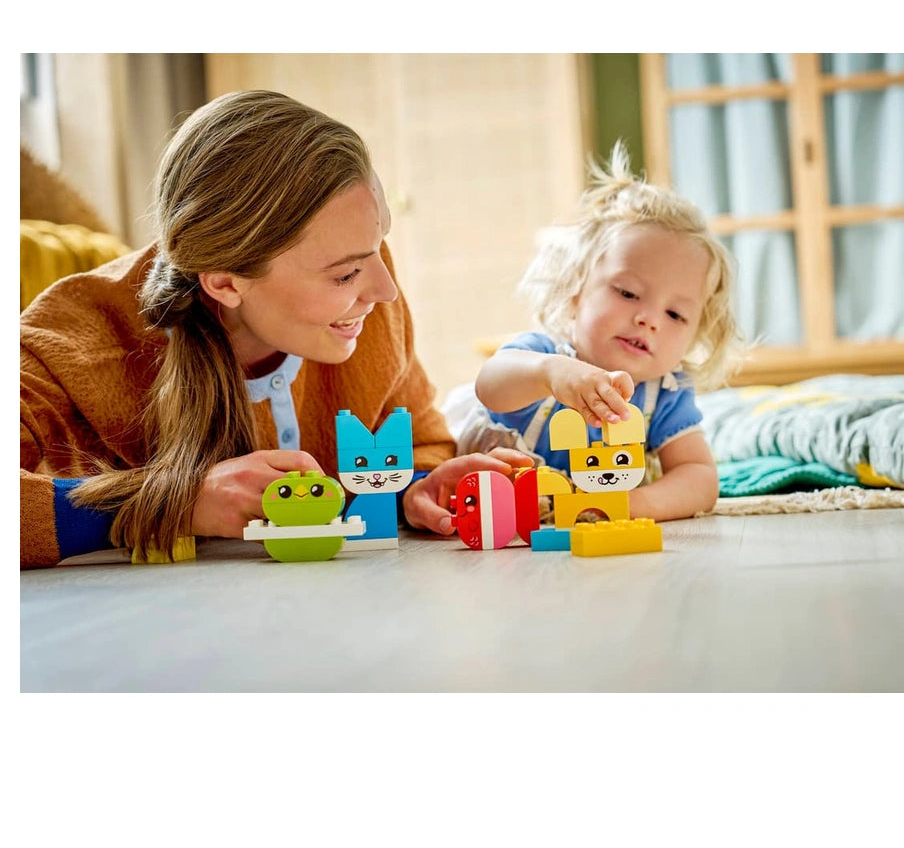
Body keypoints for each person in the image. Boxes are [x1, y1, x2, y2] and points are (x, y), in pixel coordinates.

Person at [20, 90, 531, 569]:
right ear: (225, 282)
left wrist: (412, 489)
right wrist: (172, 501)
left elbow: (423, 441)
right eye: (345, 275)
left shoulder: (366, 303)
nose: (385, 291)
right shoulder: (72, 341)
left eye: (378, 246)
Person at [467, 140, 743, 522]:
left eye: (675, 314)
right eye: (627, 293)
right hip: (498, 519)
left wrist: (632, 505)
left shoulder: (664, 393)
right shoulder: (544, 355)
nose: (649, 320)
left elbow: (698, 478)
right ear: (576, 288)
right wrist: (550, 374)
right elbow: (489, 386)